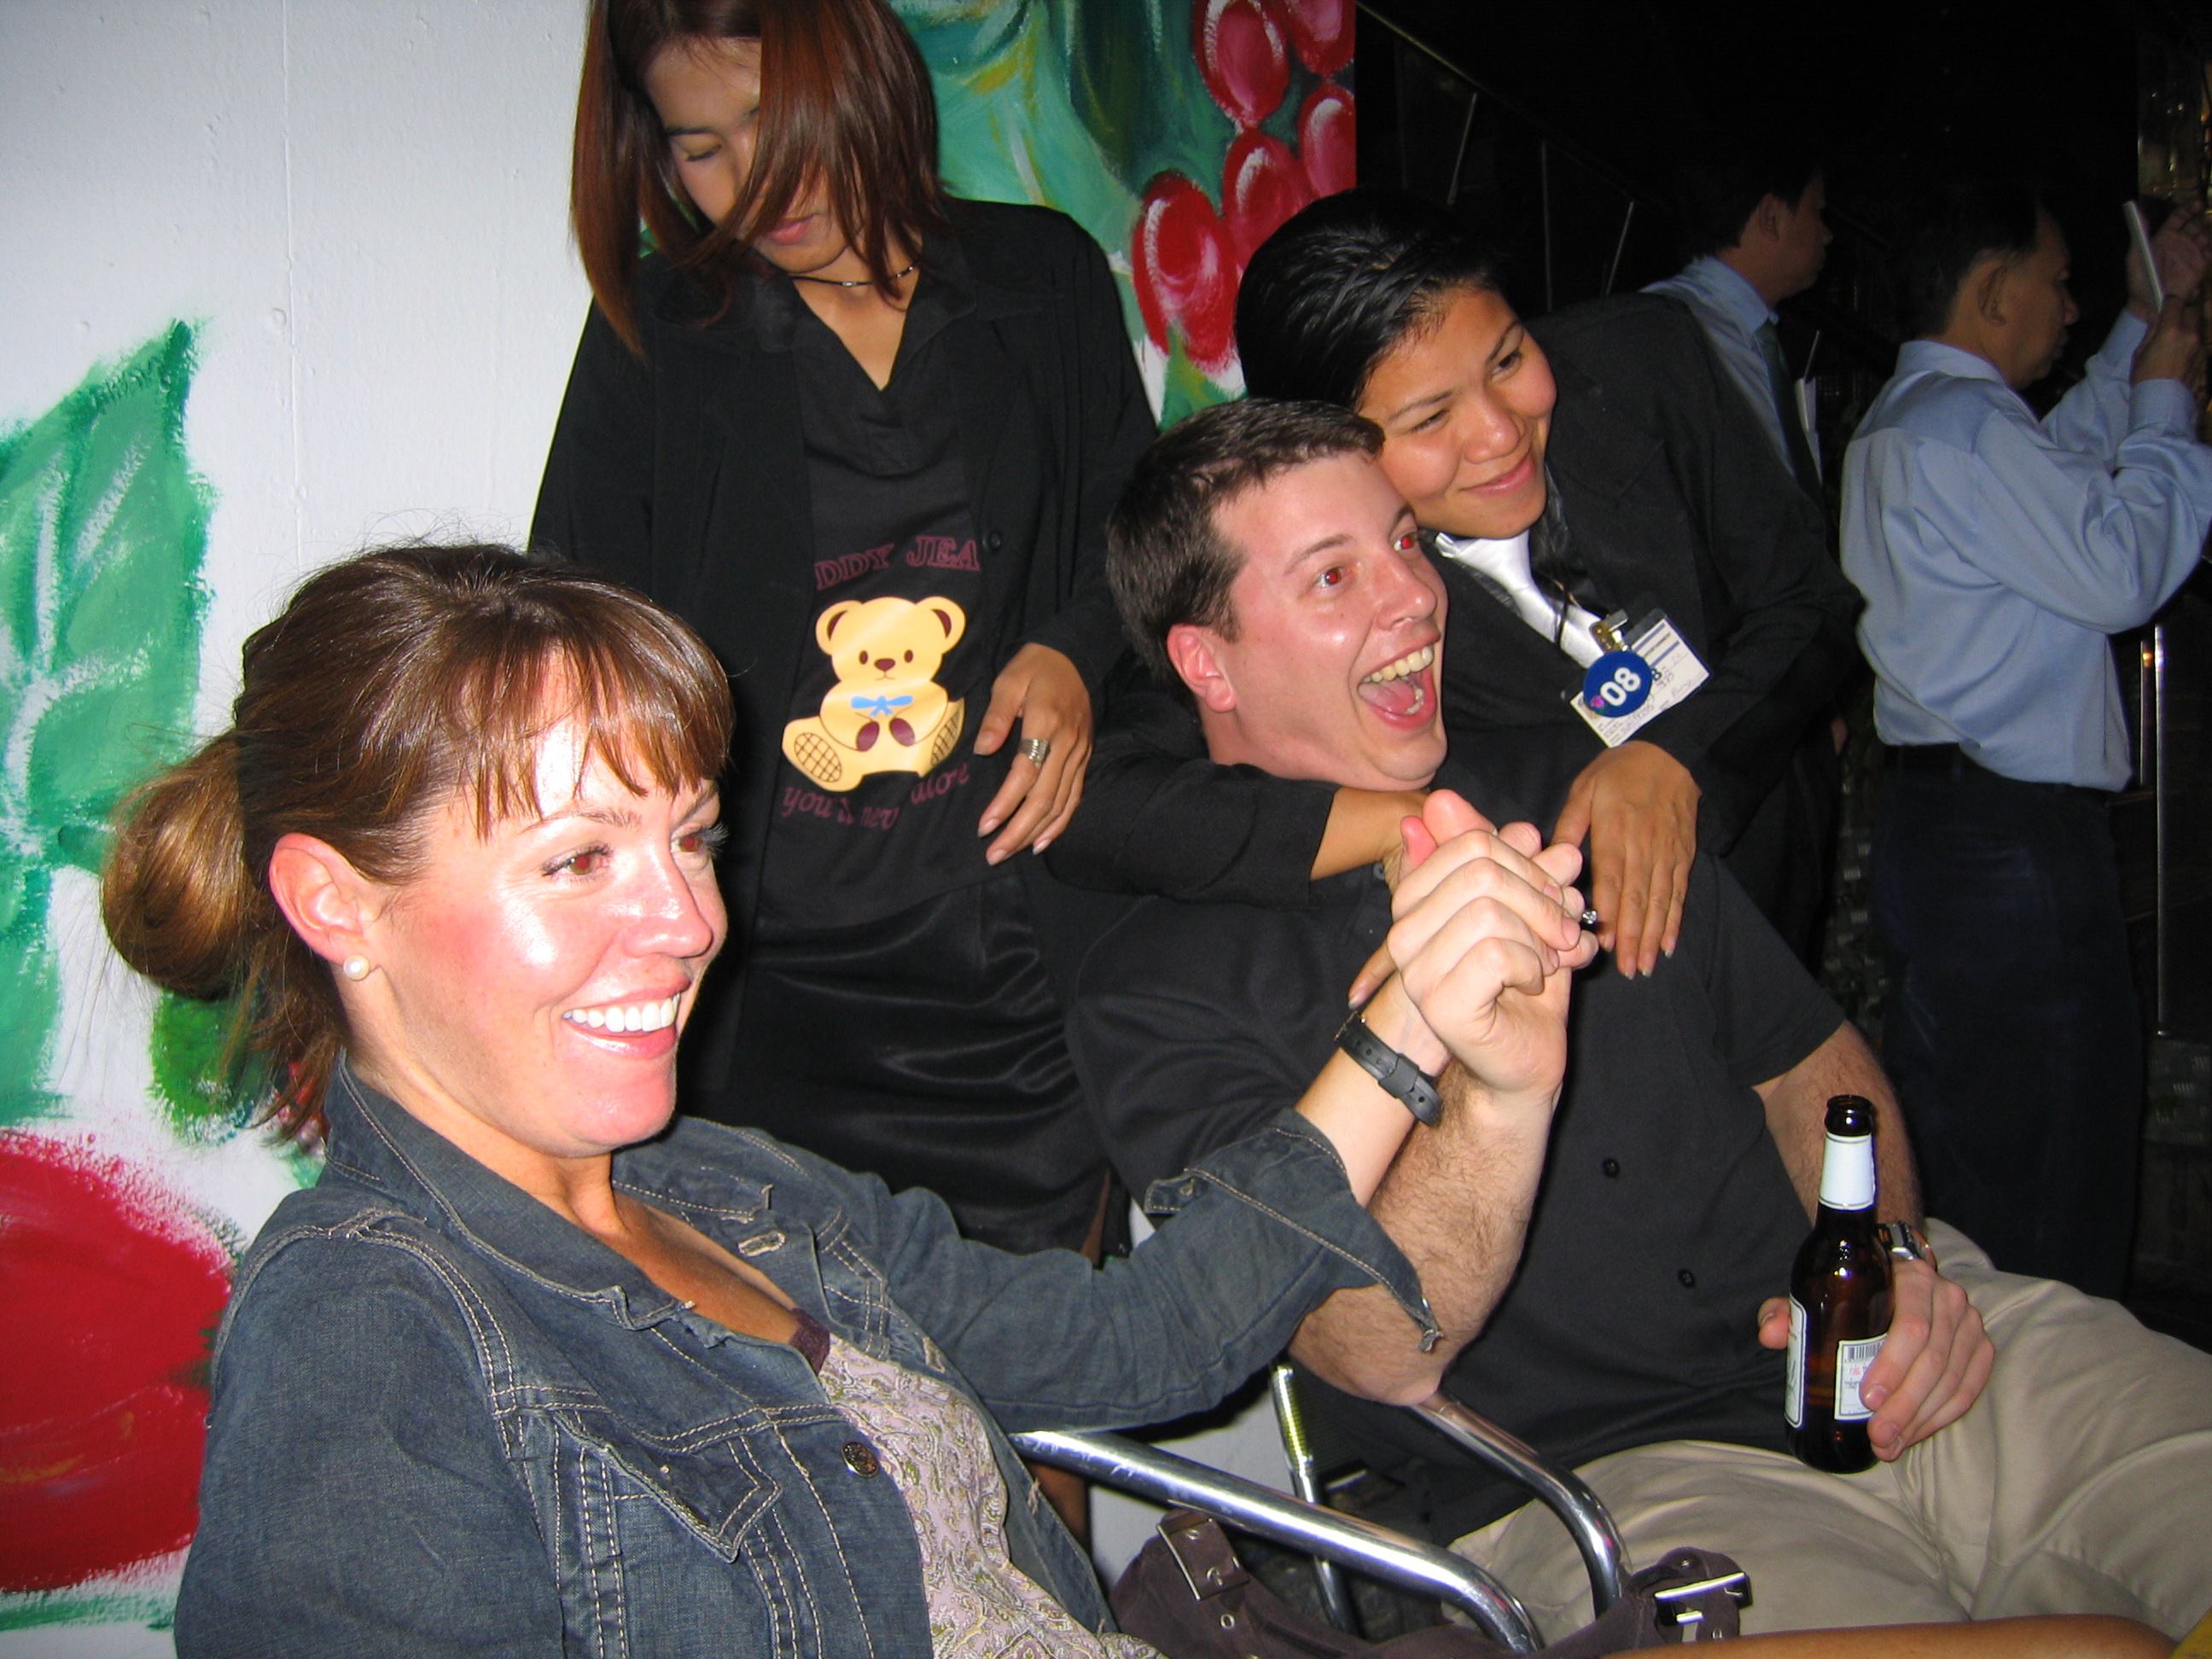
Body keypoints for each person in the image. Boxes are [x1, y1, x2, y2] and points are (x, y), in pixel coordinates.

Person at [114, 544, 1604, 1656]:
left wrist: (1413, 1011)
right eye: (578, 859)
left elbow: (1139, 1339)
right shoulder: (365, 1329)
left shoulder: (719, 1184)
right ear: (337, 903)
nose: (689, 922)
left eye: (691, 839)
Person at [1072, 399, 2212, 1642]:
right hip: (1620, 1493)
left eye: (1404, 542)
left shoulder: (1575, 787)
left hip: (1921, 1354)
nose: (1416, 598)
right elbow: (1370, 1350)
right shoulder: (1154, 993)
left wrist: (1892, 1257)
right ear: (1209, 663)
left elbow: (1810, 1065)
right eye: (1334, 576)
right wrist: (1495, 1094)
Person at [532, 0, 1155, 1259]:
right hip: (763, 997)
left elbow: (1143, 541)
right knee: (799, 1373)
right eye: (701, 146)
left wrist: (1075, 654)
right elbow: (569, 638)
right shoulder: (658, 331)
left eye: (775, 119)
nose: (753, 180)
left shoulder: (1041, 280)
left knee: (1039, 1368)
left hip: (1016, 987)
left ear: (862, 78)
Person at [1051, 189, 1858, 972]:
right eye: (1431, 418)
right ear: (1328, 445)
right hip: (1589, 969)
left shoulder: (1645, 361)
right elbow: (1103, 802)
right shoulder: (1362, 597)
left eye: (1508, 359)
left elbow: (1810, 601)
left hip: (1773, 858)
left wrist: (1678, 759)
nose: (1500, 432)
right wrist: (1401, 821)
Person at [1843, 180, 2212, 1295]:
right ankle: (2046, 1391)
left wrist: (2143, 322)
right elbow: (2120, 565)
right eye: (2058, 283)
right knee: (2054, 1157)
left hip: (1945, 825)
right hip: (2011, 841)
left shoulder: (1914, 418)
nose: (2069, 306)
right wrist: (2167, 401)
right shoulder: (1965, 428)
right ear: (1995, 289)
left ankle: (1966, 1366)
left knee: (1976, 1142)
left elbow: (2064, 472)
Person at [1644, 137, 1834, 497]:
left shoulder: (1747, 333)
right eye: (1817, 212)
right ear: (1772, 218)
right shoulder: (1669, 328)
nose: (1827, 234)